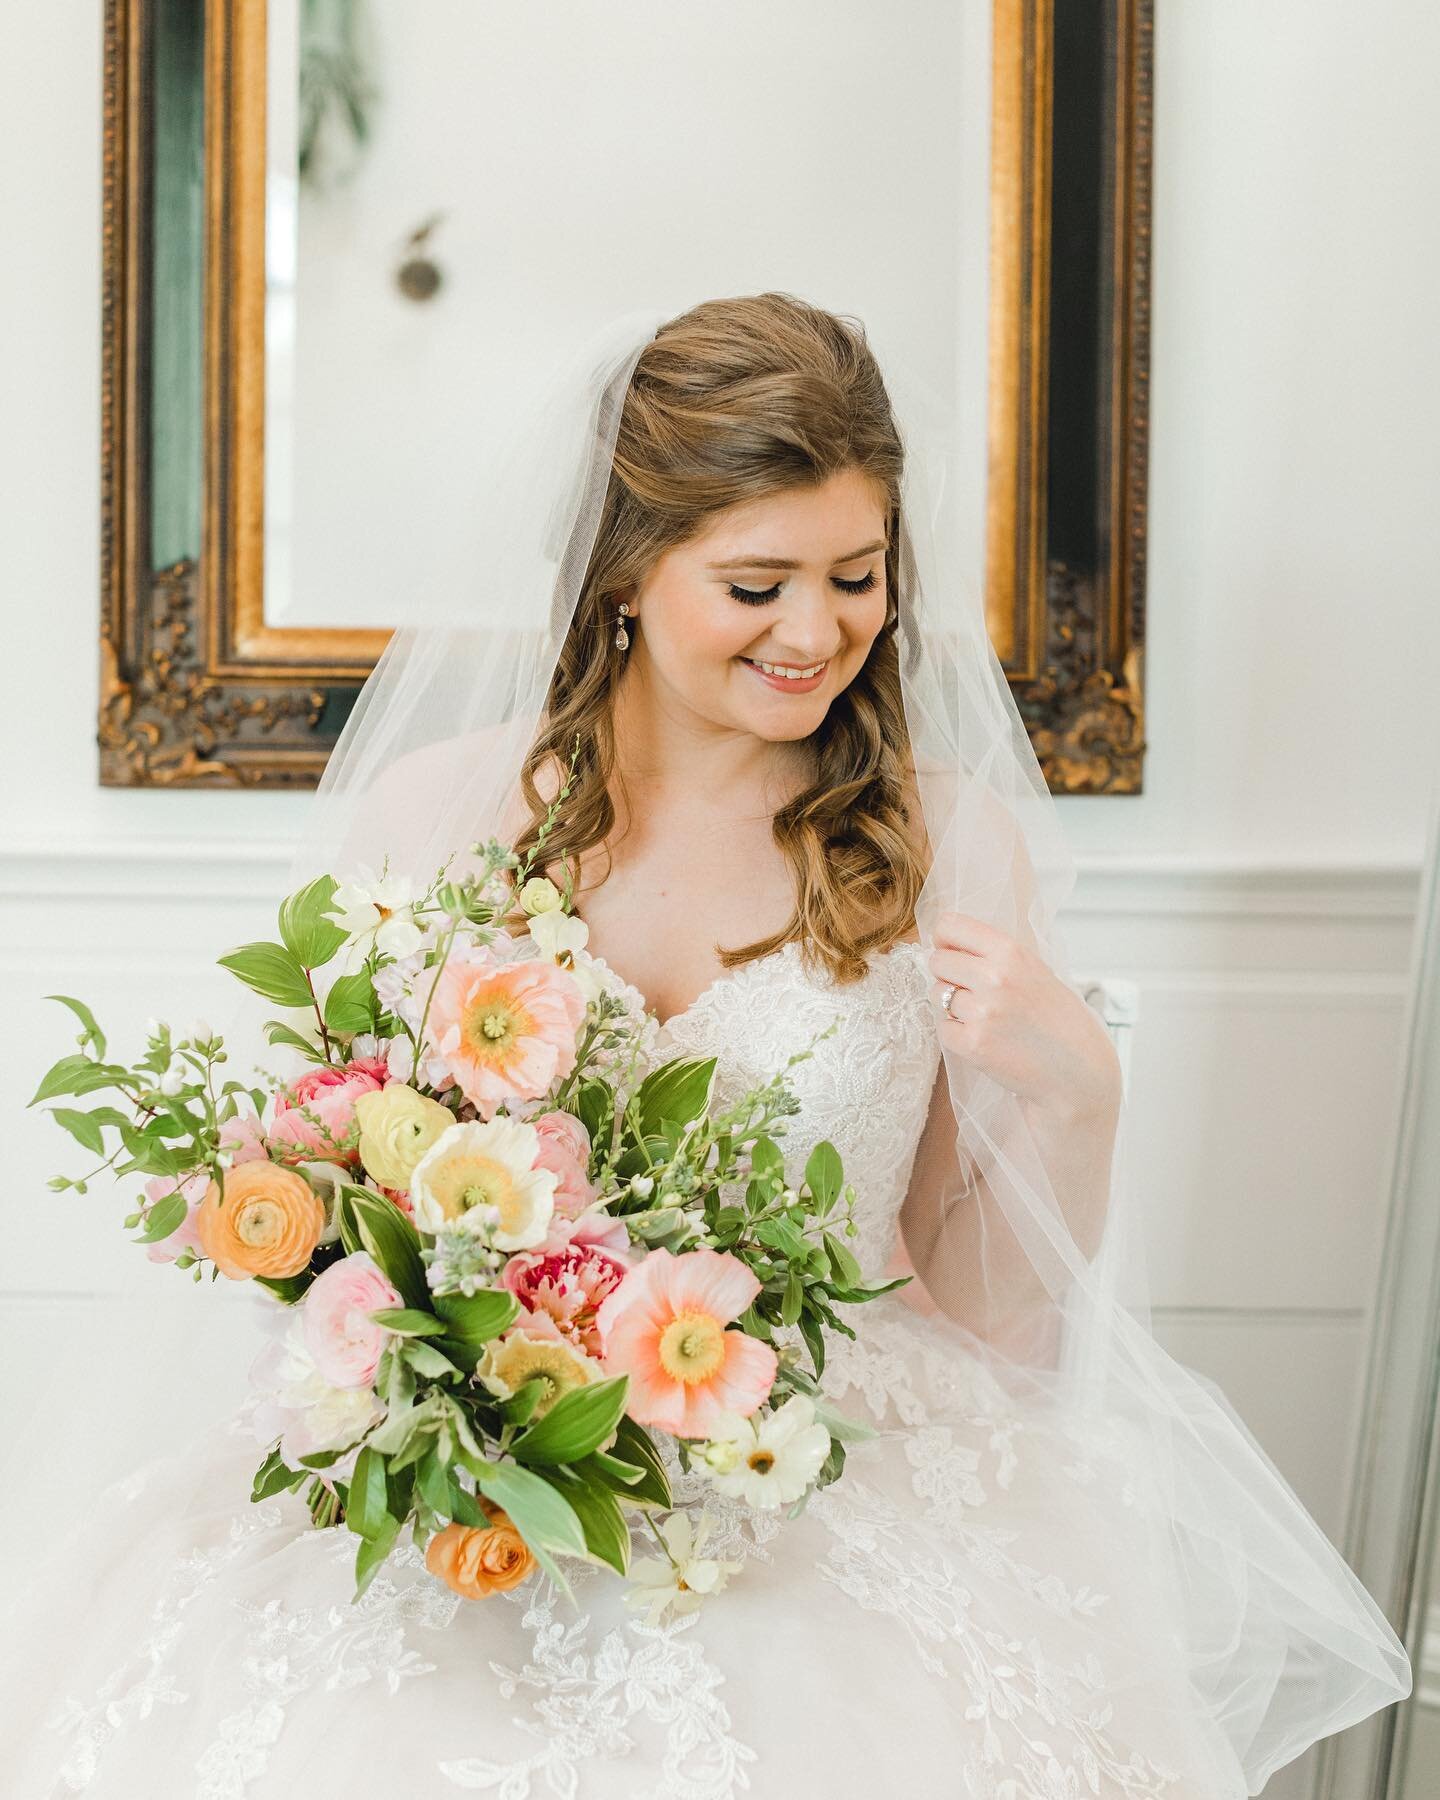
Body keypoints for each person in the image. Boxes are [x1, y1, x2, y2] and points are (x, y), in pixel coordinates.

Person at [0, 294, 1409, 1796]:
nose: (818, 633)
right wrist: (447, 1381)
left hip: (815, 1476)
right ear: (627, 573)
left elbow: (993, 1331)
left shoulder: (941, 845)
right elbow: (343, 1201)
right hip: (465, 1479)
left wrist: (1080, 1097)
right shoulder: (438, 814)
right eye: (757, 583)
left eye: (856, 577)